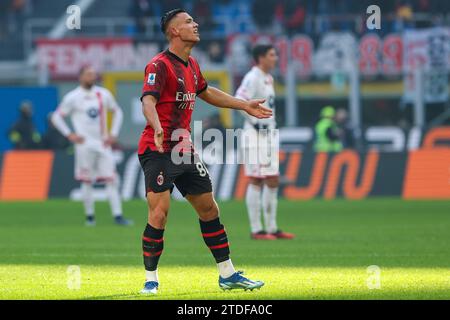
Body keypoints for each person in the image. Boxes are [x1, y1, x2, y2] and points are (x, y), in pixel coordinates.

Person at [138, 9, 272, 295]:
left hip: (184, 149)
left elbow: (206, 91)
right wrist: (157, 125)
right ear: (174, 31)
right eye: (188, 22)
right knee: (160, 213)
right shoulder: (158, 65)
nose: (195, 24)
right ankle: (151, 279)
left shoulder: (191, 64)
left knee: (209, 208)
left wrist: (243, 104)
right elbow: (148, 101)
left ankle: (228, 274)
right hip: (158, 147)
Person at [51, 66, 133, 227]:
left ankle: (117, 215)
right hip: (84, 145)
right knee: (86, 180)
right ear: (80, 76)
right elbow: (56, 117)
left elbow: (117, 112)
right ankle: (90, 217)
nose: (92, 77)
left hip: (103, 144)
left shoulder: (103, 94)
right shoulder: (73, 97)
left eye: (93, 74)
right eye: (88, 74)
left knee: (111, 179)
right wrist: (70, 134)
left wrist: (114, 133)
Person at [235, 44, 295, 241]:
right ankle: (257, 229)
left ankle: (272, 227)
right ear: (260, 58)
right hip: (254, 135)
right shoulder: (252, 77)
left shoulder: (268, 78)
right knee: (256, 179)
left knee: (273, 179)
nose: (275, 58)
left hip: (269, 135)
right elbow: (238, 100)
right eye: (271, 55)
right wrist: (254, 122)